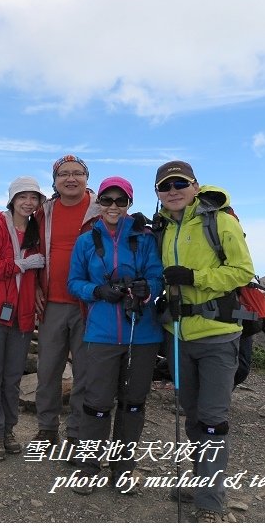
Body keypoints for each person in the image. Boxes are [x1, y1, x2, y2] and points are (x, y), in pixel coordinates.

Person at [153, 160, 255, 523]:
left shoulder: (219, 221)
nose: (173, 190)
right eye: (165, 186)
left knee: (213, 419)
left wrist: (194, 277)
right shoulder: (162, 226)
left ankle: (210, 502)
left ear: (195, 186)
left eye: (180, 183)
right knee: (194, 416)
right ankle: (201, 483)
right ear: (159, 195)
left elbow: (242, 271)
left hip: (217, 334)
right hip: (178, 336)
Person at [66, 176, 164, 494]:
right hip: (102, 333)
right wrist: (97, 290)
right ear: (100, 203)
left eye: (120, 201)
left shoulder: (144, 238)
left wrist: (146, 289)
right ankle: (89, 467)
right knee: (96, 403)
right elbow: (73, 282)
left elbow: (156, 276)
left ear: (129, 204)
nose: (112, 206)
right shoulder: (86, 240)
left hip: (142, 332)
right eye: (107, 200)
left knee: (133, 403)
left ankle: (123, 468)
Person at [0, 176, 47, 461]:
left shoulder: (37, 230)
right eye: (22, 197)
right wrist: (22, 264)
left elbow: (40, 274)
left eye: (34, 198)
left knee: (13, 377)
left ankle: (8, 431)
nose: (28, 202)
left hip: (22, 314)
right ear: (12, 199)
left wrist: (36, 284)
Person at [30, 154, 101, 452]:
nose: (71, 178)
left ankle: (77, 432)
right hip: (53, 302)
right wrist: (35, 285)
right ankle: (47, 429)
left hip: (90, 304)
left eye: (77, 173)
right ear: (55, 181)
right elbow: (31, 249)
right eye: (64, 174)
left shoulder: (102, 209)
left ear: (87, 178)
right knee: (47, 370)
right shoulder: (43, 212)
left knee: (85, 371)